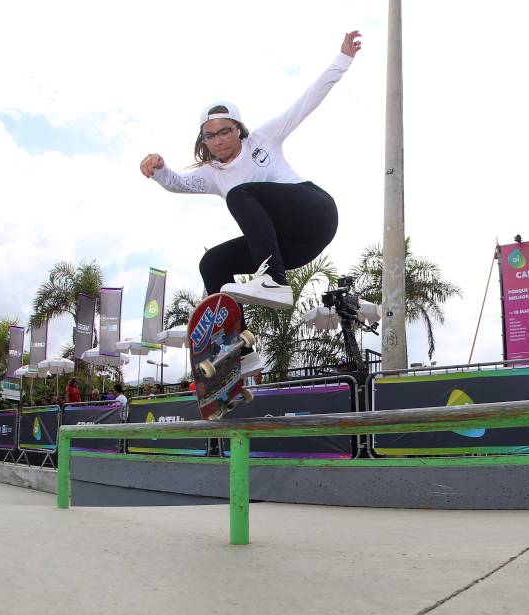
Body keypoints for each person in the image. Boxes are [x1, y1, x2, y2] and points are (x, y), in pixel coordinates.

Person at [140, 30, 363, 378]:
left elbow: (307, 101)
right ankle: (241, 351)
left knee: (241, 193)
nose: (217, 141)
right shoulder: (212, 174)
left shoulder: (264, 139)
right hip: (290, 248)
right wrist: (158, 169)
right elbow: (178, 183)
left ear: (238, 131)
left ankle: (272, 279)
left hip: (315, 212)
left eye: (224, 132)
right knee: (212, 263)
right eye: (210, 136)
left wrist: (343, 60)